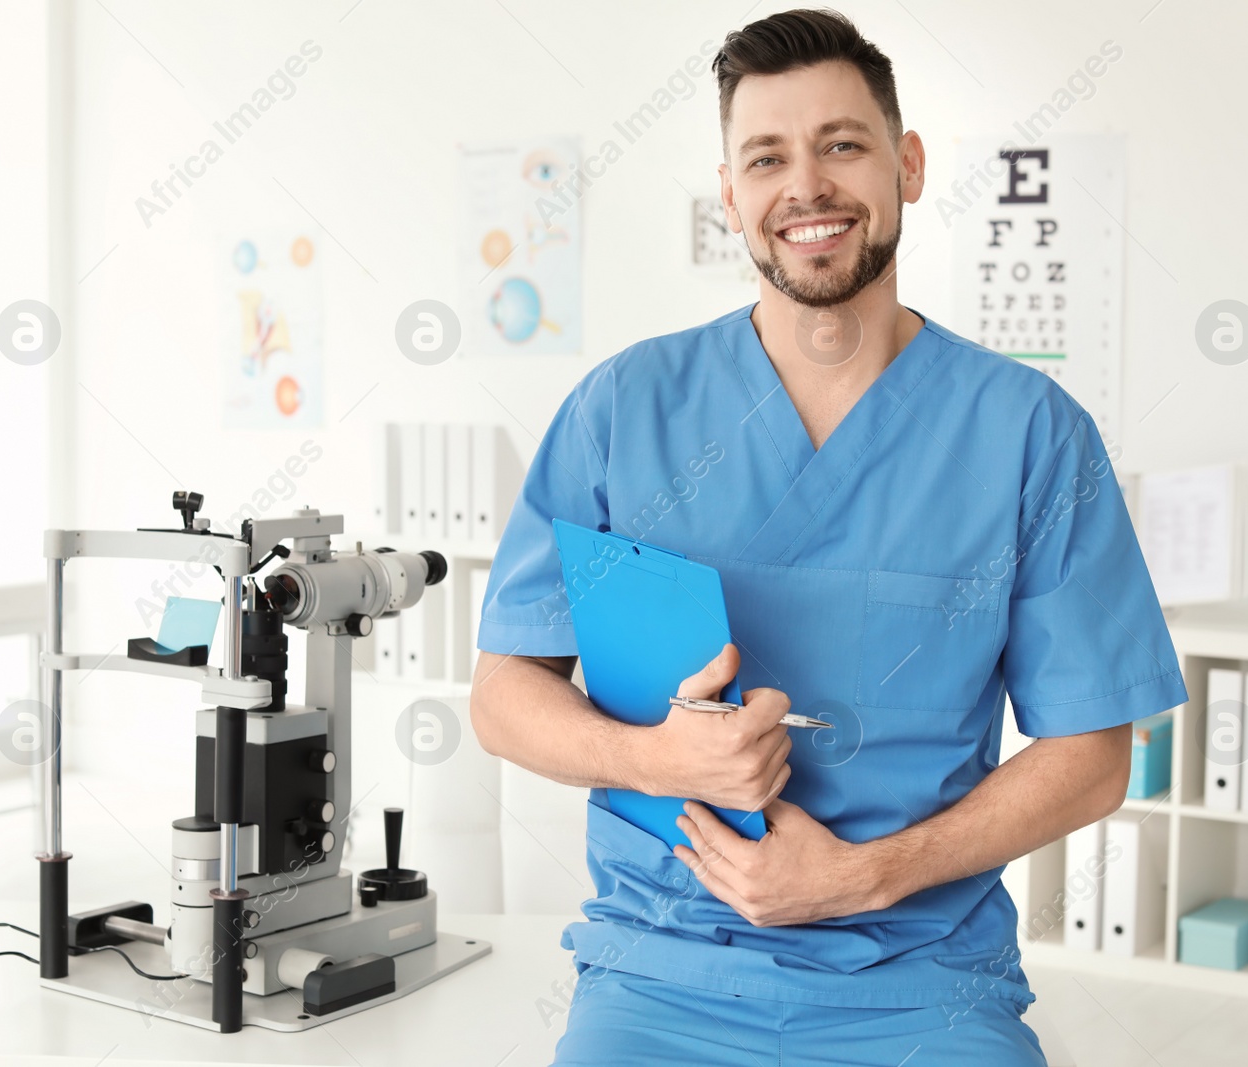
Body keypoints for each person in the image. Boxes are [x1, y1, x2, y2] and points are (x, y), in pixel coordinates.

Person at [469, 9, 1185, 1064]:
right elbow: (501, 695)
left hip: (920, 974)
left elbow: (1092, 753)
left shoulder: (1027, 433)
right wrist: (653, 758)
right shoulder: (622, 410)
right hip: (665, 965)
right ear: (731, 196)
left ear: (907, 165)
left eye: (842, 145)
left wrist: (866, 874)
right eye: (767, 157)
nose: (806, 187)